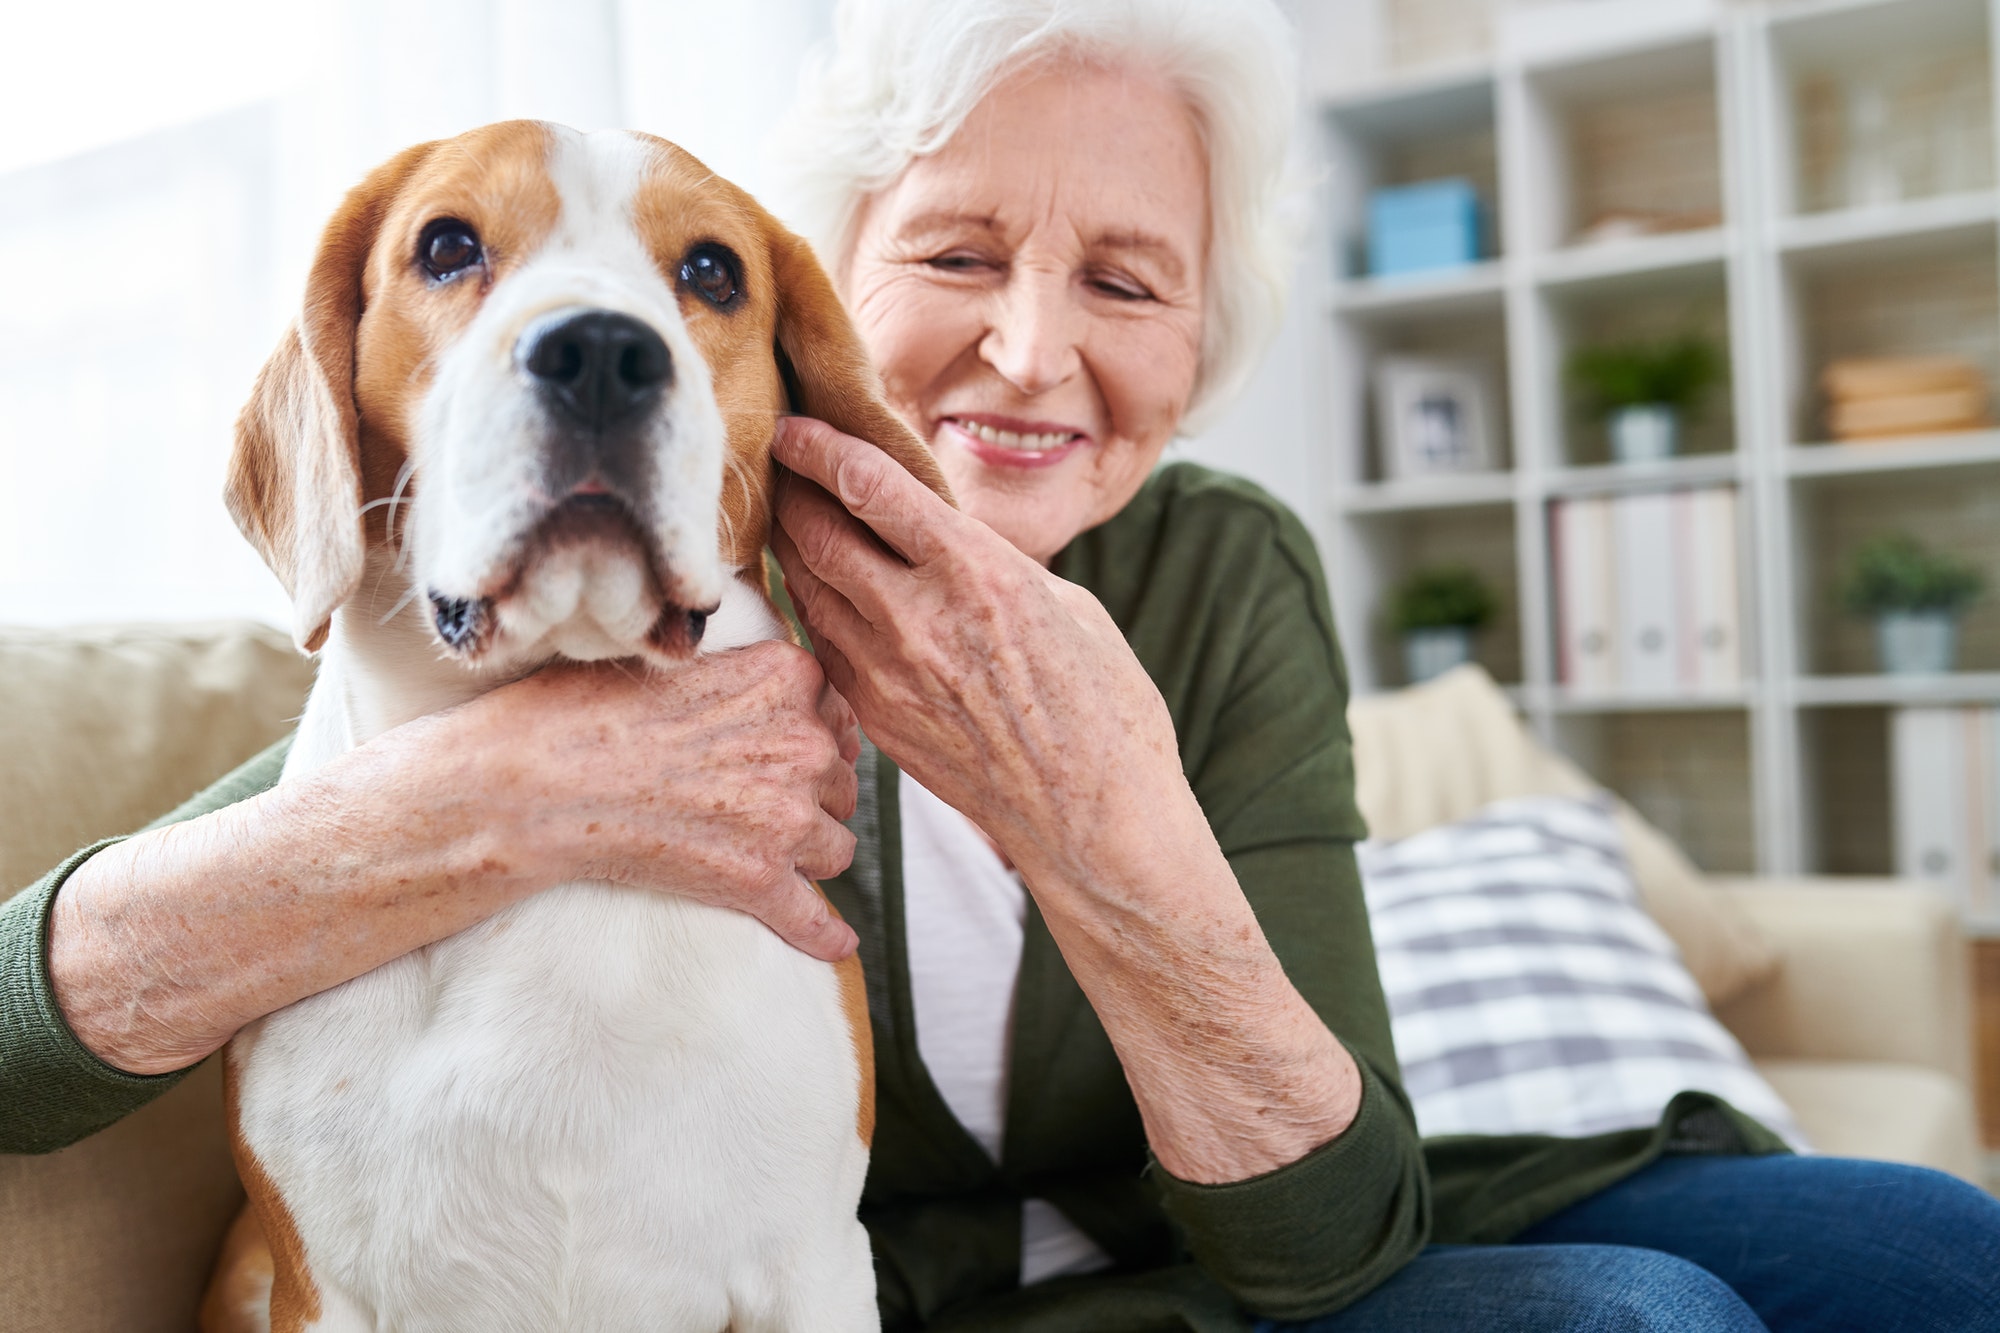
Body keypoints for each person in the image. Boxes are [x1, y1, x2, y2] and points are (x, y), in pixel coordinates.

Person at [4, 1, 1997, 1329]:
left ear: (1196, 339)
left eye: (1123, 281)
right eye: (960, 254)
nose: (1036, 352)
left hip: (1235, 1254)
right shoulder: (629, 593)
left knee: (1937, 1256)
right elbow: (31, 1023)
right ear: (822, 290)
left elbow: (1326, 1232)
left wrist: (1102, 814)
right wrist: (501, 795)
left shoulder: (1215, 574)